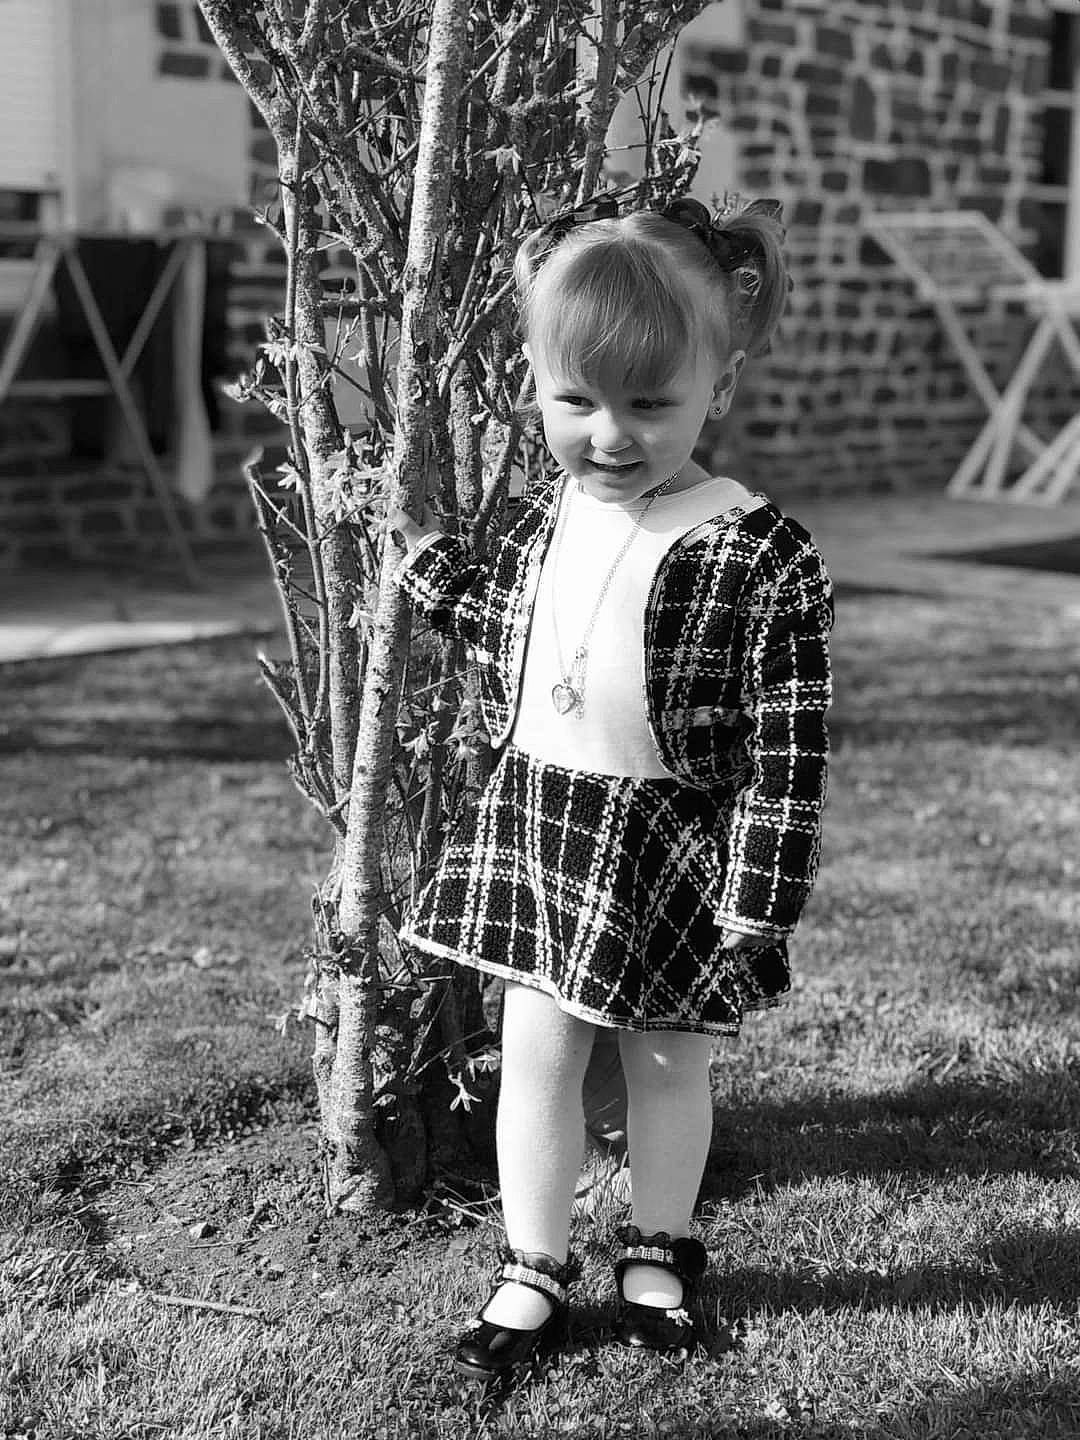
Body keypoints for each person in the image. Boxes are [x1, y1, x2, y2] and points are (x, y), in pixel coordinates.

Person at [389, 192, 833, 1379]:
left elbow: (790, 749)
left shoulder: (759, 552)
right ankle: (532, 1264)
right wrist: (433, 575)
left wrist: (760, 901)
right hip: (548, 826)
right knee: (538, 1051)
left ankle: (659, 1248)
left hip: (675, 846)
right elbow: (524, 637)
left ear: (718, 391)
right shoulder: (550, 516)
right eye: (577, 401)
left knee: (668, 1061)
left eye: (650, 404)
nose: (612, 436)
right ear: (537, 387)